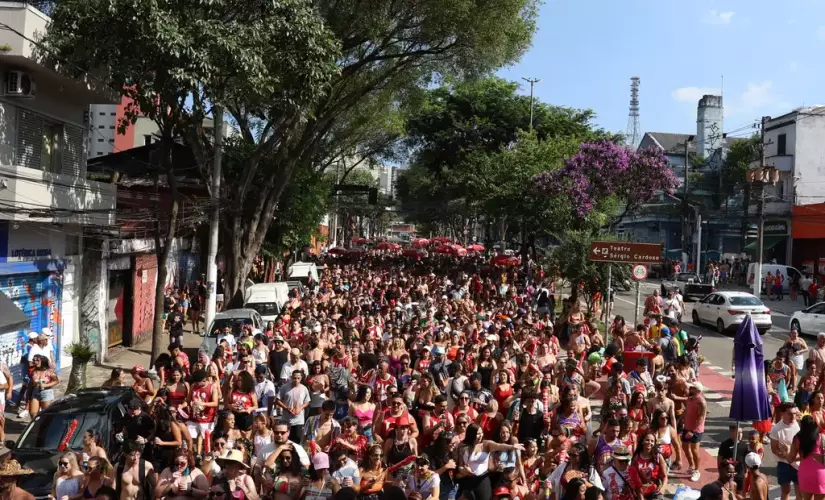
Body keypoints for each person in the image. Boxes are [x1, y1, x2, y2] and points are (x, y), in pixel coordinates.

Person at [788, 415, 825, 499]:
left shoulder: (797, 439)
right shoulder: (822, 437)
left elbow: (791, 458)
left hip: (805, 473)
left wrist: (785, 452)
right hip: (821, 474)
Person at [770, 402, 801, 500]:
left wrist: (791, 455)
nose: (793, 416)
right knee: (785, 491)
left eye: (794, 414)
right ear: (782, 414)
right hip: (783, 464)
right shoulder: (776, 429)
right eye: (790, 414)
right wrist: (787, 456)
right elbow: (774, 449)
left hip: (798, 463)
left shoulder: (799, 425)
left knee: (799, 493)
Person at [277, 370, 311, 444]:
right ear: (291, 377)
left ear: (301, 378)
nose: (296, 380)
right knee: (286, 441)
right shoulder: (285, 387)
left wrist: (301, 408)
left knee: (297, 441)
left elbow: (307, 401)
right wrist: (286, 408)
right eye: (294, 378)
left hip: (298, 420)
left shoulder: (304, 388)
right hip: (286, 419)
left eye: (298, 378)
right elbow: (277, 400)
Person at [682, 383, 706, 483]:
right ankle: (691, 465)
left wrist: (692, 431)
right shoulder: (689, 399)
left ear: (698, 390)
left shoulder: (701, 402)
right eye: (690, 387)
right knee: (684, 447)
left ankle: (697, 470)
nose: (690, 389)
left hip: (696, 430)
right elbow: (687, 411)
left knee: (694, 450)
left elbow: (701, 418)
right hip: (687, 427)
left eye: (692, 388)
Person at [717, 424, 747, 493]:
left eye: (741, 433)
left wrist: (746, 470)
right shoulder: (725, 444)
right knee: (727, 491)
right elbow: (719, 458)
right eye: (738, 433)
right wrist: (720, 470)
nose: (740, 435)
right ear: (731, 433)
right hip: (728, 474)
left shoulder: (744, 445)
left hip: (740, 473)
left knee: (739, 492)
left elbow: (745, 458)